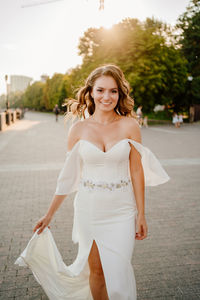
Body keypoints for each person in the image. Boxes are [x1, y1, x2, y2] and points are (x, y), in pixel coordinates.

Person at [15, 65, 170, 300]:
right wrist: (49, 215)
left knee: (119, 270)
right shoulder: (78, 129)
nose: (106, 97)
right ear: (90, 92)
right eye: (100, 90)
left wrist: (141, 214)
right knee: (97, 272)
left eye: (113, 91)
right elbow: (68, 177)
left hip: (122, 209)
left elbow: (136, 171)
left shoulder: (130, 126)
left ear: (120, 94)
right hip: (89, 209)